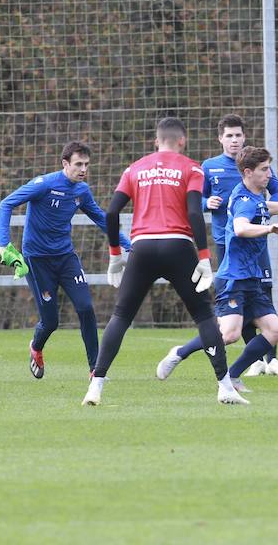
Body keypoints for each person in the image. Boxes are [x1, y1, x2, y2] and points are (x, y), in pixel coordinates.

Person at [82, 117, 245, 406]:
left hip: (142, 247)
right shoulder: (191, 168)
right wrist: (204, 257)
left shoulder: (134, 169)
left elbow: (111, 212)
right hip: (178, 246)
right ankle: (225, 387)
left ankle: (95, 387)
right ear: (182, 141)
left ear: (156, 141)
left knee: (121, 316)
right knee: (204, 316)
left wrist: (115, 254)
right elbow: (194, 213)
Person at [155, 146, 278, 393]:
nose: (269, 174)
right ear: (248, 172)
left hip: (252, 278)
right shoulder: (243, 200)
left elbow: (265, 208)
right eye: (264, 169)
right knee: (229, 335)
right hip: (234, 279)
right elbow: (240, 227)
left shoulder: (255, 195)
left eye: (269, 168)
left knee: (274, 331)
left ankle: (234, 376)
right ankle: (180, 352)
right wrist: (269, 229)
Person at [0, 141, 130, 379]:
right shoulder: (44, 184)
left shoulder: (81, 191)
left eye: (86, 164)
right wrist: (4, 244)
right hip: (37, 260)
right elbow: (6, 204)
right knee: (50, 322)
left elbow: (101, 219)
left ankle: (95, 370)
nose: (83, 169)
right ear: (65, 163)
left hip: (66, 257)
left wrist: (129, 245)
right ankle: (36, 347)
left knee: (86, 308)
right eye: (78, 164)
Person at [200, 114, 278, 377]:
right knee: (238, 301)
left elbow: (277, 190)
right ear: (220, 139)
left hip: (256, 240)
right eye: (229, 135)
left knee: (263, 293)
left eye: (238, 135)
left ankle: (272, 359)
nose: (234, 140)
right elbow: (195, 199)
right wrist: (207, 203)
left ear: (244, 137)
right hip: (227, 241)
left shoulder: (258, 165)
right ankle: (256, 359)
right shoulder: (210, 166)